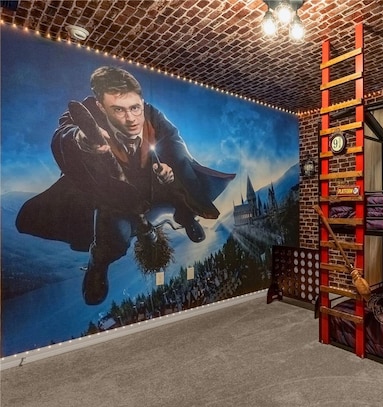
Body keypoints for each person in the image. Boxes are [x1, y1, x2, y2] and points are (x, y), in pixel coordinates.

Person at [16, 66, 235, 305]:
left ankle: (187, 218)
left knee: (185, 186)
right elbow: (63, 135)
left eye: (135, 108)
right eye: (118, 110)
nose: (130, 119)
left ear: (141, 102)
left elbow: (176, 147)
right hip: (110, 195)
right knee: (116, 238)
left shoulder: (153, 117)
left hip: (153, 184)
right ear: (101, 107)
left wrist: (175, 179)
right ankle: (97, 264)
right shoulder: (87, 115)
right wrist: (80, 140)